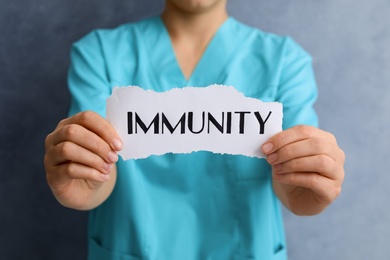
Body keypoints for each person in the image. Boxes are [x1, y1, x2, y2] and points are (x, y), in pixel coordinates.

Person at [44, 0, 345, 259]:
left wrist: (308, 187)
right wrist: (83, 178)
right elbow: (94, 174)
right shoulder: (99, 54)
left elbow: (295, 187)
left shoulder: (285, 61)